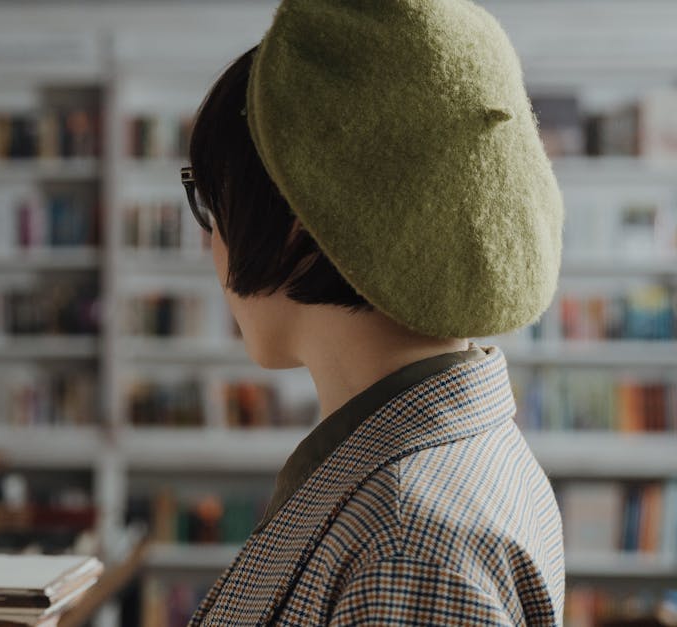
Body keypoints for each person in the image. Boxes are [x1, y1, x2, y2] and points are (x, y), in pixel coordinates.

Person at [182, 1, 565, 625]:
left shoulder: (408, 543)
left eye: (208, 199)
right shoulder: (430, 475)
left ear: (302, 217)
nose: (208, 239)